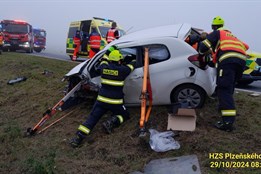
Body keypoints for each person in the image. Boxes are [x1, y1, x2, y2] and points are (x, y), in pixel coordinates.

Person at [69, 47, 136, 148]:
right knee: (125, 115)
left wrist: (109, 51)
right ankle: (112, 122)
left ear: (110, 60)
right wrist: (135, 58)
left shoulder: (103, 68)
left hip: (101, 101)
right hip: (116, 103)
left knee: (92, 119)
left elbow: (103, 60)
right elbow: (133, 65)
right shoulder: (123, 70)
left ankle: (78, 138)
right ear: (119, 60)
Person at [198, 16, 249, 132]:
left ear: (214, 27)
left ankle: (227, 122)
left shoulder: (217, 33)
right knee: (229, 87)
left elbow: (203, 46)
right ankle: (225, 108)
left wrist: (200, 54)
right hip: (241, 62)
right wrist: (212, 62)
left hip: (228, 61)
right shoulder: (232, 36)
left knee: (224, 89)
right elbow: (245, 46)